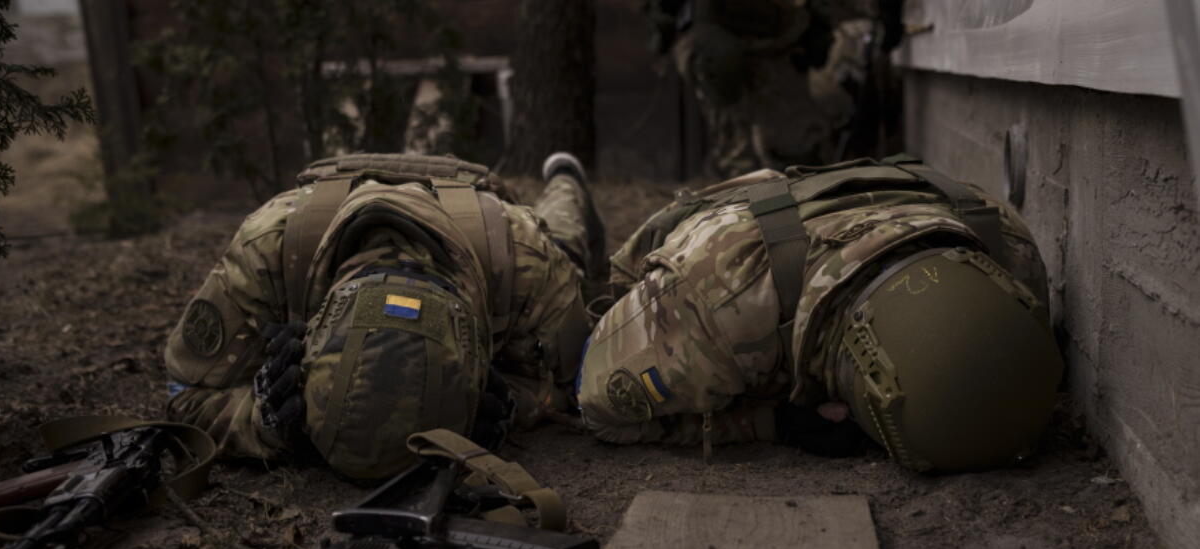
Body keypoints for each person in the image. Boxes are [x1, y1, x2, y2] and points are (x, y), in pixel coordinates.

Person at [576, 155, 1064, 472]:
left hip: (817, 207)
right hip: (716, 238)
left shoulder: (1008, 248)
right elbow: (597, 407)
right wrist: (774, 424)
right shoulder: (717, 315)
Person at [164, 151, 603, 480]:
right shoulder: (267, 251)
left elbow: (573, 388)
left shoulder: (529, 262)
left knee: (565, 232)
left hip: (488, 228)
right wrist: (267, 421)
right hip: (408, 221)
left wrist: (508, 402)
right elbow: (182, 391)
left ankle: (565, 177)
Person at [645, 0, 904, 176]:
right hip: (712, 33)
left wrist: (818, 23)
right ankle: (739, 209)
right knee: (742, 165)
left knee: (799, 154)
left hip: (776, 39)